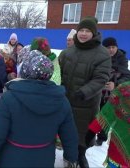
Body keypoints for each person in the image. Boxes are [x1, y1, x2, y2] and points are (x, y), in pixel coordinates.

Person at [0, 50, 78, 167]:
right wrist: (71, 159)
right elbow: (70, 135)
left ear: (24, 71)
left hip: (12, 159)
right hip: (44, 159)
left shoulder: (10, 98)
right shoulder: (61, 101)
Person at [58, 16, 111, 168]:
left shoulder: (102, 54)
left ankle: (80, 157)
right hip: (65, 102)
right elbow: (57, 73)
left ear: (93, 33)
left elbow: (101, 78)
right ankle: (69, 158)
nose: (83, 34)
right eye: (81, 30)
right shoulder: (67, 52)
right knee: (66, 135)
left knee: (82, 139)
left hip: (86, 105)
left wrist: (84, 92)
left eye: (87, 31)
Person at [93, 37, 130, 146]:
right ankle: (90, 133)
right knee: (94, 112)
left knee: (107, 114)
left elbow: (127, 76)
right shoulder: (98, 57)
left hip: (112, 93)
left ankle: (101, 137)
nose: (111, 50)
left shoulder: (121, 59)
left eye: (113, 47)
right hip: (97, 90)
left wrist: (116, 84)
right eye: (108, 47)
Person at [85, 81, 130, 168]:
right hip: (119, 150)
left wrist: (92, 130)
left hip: (118, 151)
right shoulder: (124, 89)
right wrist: (92, 130)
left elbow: (106, 113)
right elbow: (107, 112)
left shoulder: (124, 88)